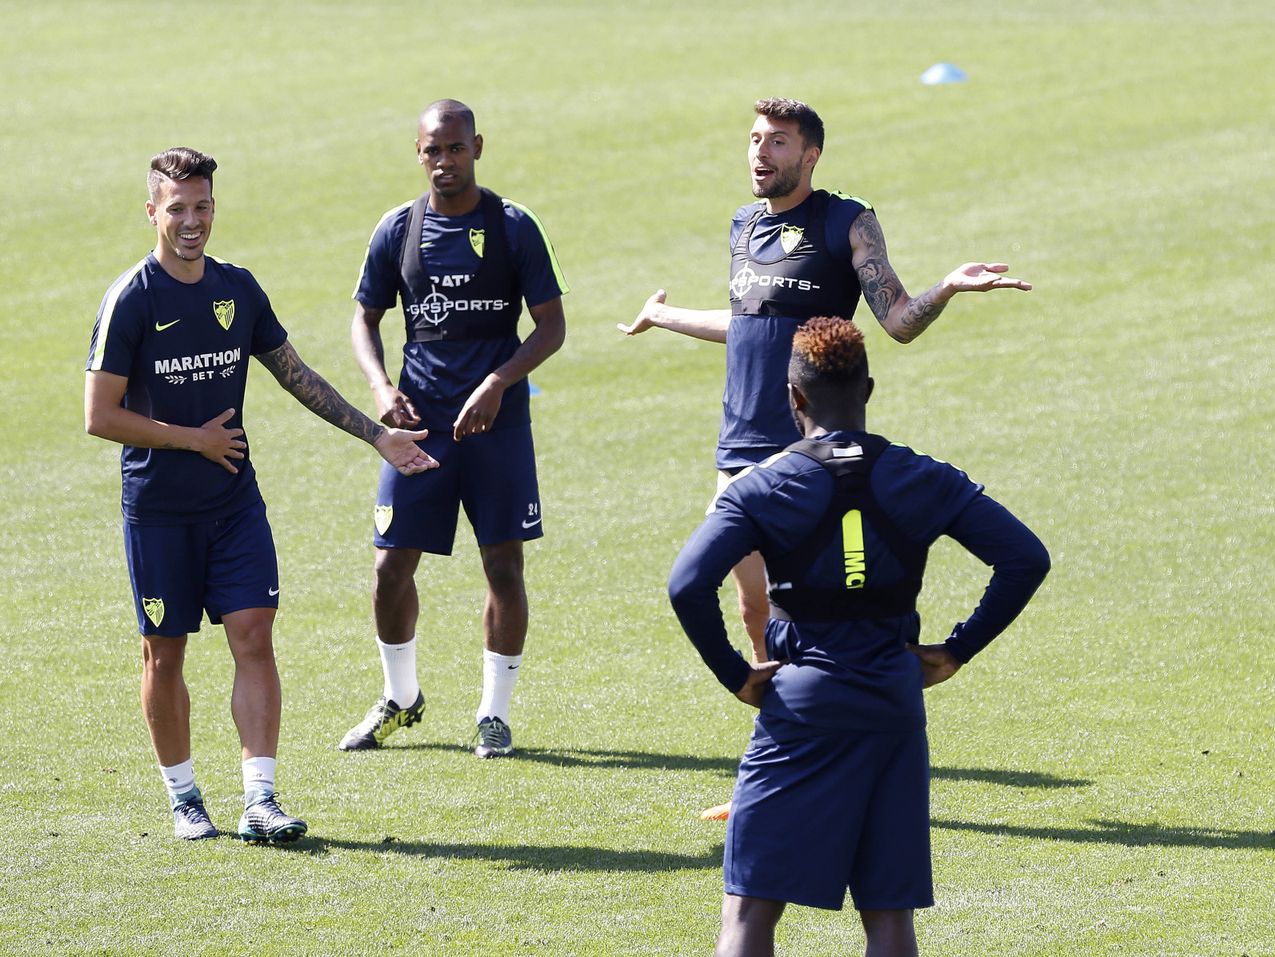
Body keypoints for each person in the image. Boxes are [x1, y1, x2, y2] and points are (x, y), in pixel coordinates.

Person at [621, 96, 1030, 817]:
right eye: (754, 139)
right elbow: (749, 322)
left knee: (811, 608)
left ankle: (815, 757)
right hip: (738, 447)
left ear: (810, 155)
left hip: (809, 454)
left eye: (777, 142)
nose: (760, 153)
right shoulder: (744, 225)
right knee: (753, 606)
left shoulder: (848, 222)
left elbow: (897, 319)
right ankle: (778, 751)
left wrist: (950, 287)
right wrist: (665, 315)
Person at [85, 147, 438, 842]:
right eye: (177, 208)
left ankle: (260, 800)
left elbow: (294, 373)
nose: (192, 221)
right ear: (152, 211)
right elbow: (99, 415)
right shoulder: (131, 299)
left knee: (254, 634)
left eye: (202, 206)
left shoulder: (237, 288)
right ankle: (186, 797)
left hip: (234, 504)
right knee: (166, 652)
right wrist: (193, 438)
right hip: (158, 512)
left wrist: (377, 435)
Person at [668, 317, 1050, 956]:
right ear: (867, 390)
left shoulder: (760, 487)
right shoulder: (924, 477)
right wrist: (956, 650)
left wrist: (738, 676)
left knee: (751, 912)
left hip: (800, 709)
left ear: (794, 398)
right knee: (888, 915)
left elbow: (687, 586)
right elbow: (1024, 558)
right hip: (893, 705)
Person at [337, 99, 568, 760]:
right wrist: (382, 387)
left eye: (456, 148)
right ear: (419, 153)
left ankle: (494, 714)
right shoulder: (399, 229)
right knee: (389, 566)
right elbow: (364, 318)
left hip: (496, 426)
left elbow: (551, 325)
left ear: (478, 147)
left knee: (503, 563)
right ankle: (400, 697)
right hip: (419, 430)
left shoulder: (514, 227)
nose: (445, 161)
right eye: (433, 150)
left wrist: (498, 382)